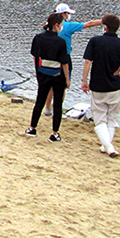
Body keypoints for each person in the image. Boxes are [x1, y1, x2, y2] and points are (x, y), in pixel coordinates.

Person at [80, 14, 120, 158]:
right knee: (112, 119)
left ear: (104, 27)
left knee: (99, 118)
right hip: (115, 85)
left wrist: (84, 80)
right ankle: (106, 145)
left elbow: (88, 62)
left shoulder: (95, 41)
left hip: (98, 85)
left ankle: (109, 147)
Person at [43, 3, 103, 116]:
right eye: (67, 13)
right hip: (64, 58)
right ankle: (58, 110)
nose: (68, 15)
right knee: (62, 86)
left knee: (50, 86)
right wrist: (103, 21)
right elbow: (88, 24)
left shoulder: (47, 27)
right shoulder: (68, 26)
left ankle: (47, 109)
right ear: (63, 14)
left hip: (49, 58)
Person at [25, 13, 71, 142]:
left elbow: (35, 56)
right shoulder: (61, 42)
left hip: (43, 73)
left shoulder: (38, 38)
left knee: (40, 100)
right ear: (56, 25)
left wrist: (38, 73)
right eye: (61, 25)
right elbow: (64, 63)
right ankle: (55, 133)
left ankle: (32, 128)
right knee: (57, 104)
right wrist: (67, 79)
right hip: (57, 74)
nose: (62, 27)